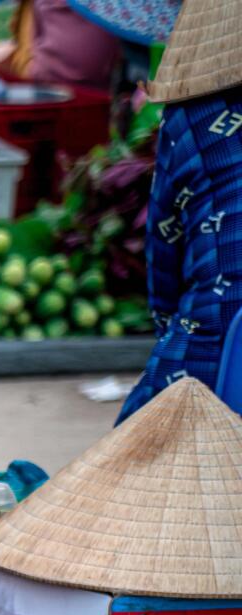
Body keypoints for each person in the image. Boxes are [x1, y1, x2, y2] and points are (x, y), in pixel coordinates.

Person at [115, 0, 241, 420]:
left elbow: (164, 255)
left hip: (210, 356)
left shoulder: (191, 116)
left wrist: (169, 327)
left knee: (123, 466)